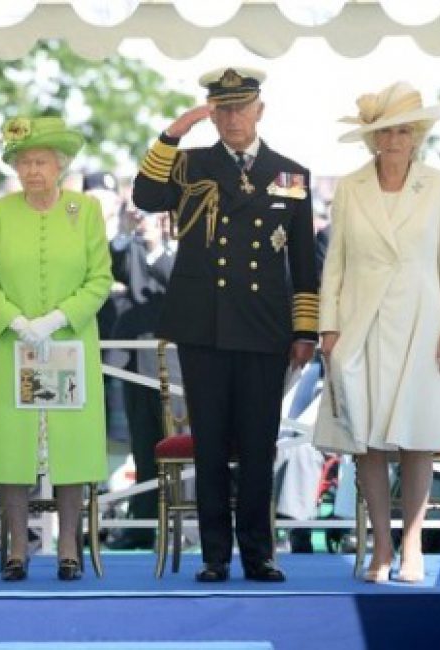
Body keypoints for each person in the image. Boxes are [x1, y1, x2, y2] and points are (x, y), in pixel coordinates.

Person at [133, 67, 318, 583]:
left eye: (242, 107)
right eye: (223, 109)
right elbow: (145, 196)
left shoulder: (291, 174)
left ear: (260, 110)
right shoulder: (189, 164)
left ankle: (259, 552)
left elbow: (304, 262)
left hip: (264, 327)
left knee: (260, 444)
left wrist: (304, 331)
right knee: (210, 443)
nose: (233, 117)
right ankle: (215, 554)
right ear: (211, 112)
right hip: (204, 325)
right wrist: (173, 133)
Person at [313, 81, 440, 583]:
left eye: (403, 131)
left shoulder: (439, 184)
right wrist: (328, 326)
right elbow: (334, 263)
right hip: (362, 322)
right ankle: (381, 545)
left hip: (423, 321)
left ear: (416, 136)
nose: (394, 140)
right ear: (371, 138)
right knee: (368, 439)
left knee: (417, 437)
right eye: (385, 132)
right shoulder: (351, 187)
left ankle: (413, 544)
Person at [0, 115, 112, 581]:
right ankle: (17, 546)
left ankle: (69, 543)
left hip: (69, 344)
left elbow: (100, 279)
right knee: (14, 448)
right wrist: (15, 320)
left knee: (69, 445)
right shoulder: (0, 212)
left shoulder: (86, 210)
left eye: (41, 162)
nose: (32, 170)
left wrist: (58, 318)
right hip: (15, 348)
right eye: (24, 162)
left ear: (60, 165)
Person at [107, 209, 176, 550]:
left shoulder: (184, 242)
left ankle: (184, 524)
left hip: (176, 361)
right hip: (135, 361)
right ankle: (143, 523)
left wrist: (157, 246)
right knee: (144, 445)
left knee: (179, 444)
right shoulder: (131, 245)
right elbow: (112, 261)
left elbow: (176, 282)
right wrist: (125, 229)